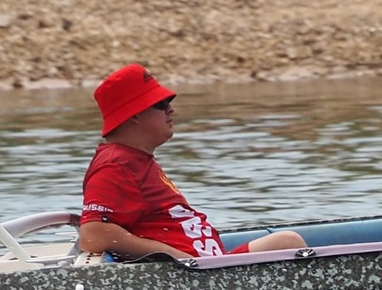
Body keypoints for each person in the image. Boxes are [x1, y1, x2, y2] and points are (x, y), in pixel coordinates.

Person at [78, 64, 307, 262]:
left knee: (286, 241)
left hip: (212, 264)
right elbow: (93, 234)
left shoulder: (134, 159)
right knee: (288, 242)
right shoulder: (115, 165)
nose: (171, 109)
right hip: (199, 277)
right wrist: (174, 255)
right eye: (160, 103)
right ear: (133, 116)